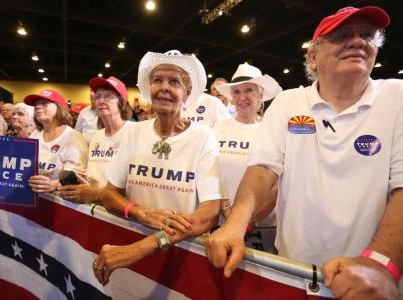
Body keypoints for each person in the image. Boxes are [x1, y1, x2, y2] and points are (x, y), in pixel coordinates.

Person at [206, 6, 403, 299]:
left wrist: (381, 264)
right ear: (313, 56)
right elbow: (262, 169)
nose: (359, 41)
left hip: (370, 282)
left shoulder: (397, 97)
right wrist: (235, 225)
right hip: (293, 270)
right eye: (342, 35)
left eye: (367, 35)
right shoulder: (289, 102)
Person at [89, 50, 226, 286]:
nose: (164, 87)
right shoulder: (134, 132)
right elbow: (109, 194)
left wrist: (147, 246)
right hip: (129, 248)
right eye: (157, 80)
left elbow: (210, 212)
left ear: (188, 92)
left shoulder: (203, 137)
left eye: (174, 82)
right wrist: (140, 212)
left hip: (179, 252)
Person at [213, 63, 282, 232]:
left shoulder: (273, 131)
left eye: (249, 90)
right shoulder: (217, 130)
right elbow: (212, 173)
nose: (242, 97)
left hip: (262, 224)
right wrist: (228, 212)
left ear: (261, 94)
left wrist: (252, 219)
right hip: (221, 220)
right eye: (237, 91)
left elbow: (278, 182)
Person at [58, 76, 133, 201]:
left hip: (119, 211)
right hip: (94, 208)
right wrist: (81, 185)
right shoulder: (97, 137)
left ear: (123, 101)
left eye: (108, 96)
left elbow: (137, 185)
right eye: (98, 96)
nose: (101, 100)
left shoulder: (134, 133)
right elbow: (95, 176)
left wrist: (95, 193)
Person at [24, 89, 88, 193]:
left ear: (59, 108)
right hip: (33, 195)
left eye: (44, 103)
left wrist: (53, 184)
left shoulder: (74, 137)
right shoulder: (35, 135)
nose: (38, 107)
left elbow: (77, 175)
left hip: (59, 201)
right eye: (36, 105)